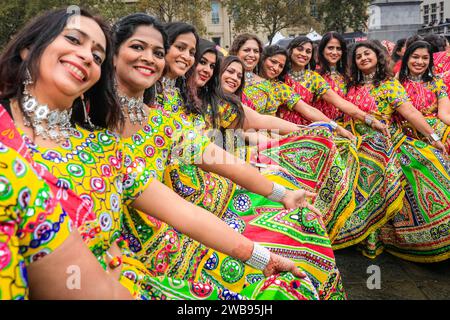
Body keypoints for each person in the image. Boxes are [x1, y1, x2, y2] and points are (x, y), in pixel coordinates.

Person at [0, 9, 305, 300]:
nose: (85, 56)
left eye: (96, 55)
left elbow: (187, 207)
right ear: (29, 48)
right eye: (73, 40)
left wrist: (262, 253)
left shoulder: (101, 147)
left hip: (139, 272)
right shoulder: (14, 144)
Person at [114, 16, 327, 300]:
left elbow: (216, 160)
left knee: (291, 282)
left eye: (158, 52)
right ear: (111, 53)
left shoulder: (163, 124)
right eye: (138, 47)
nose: (150, 58)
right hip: (114, 261)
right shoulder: (82, 126)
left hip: (171, 232)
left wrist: (282, 195)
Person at [338, 41, 446, 258]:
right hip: (353, 141)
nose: (363, 58)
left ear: (378, 56)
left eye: (367, 53)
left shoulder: (389, 84)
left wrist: (433, 137)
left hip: (381, 141)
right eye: (358, 56)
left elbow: (411, 113)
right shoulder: (348, 87)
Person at [378, 40, 450, 263]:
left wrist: (438, 135)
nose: (419, 62)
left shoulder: (437, 83)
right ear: (406, 58)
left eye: (424, 58)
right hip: (406, 139)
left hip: (435, 132)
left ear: (430, 61)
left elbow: (444, 114)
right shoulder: (394, 83)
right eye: (415, 57)